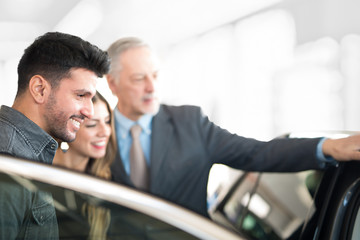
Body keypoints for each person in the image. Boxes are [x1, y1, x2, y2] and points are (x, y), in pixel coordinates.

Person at [106, 36, 360, 218]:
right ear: (113, 84)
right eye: (139, 79)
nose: (151, 87)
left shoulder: (190, 122)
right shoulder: (94, 131)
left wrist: (327, 146)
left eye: (156, 75)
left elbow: (256, 153)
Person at [0, 32, 109, 239]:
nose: (89, 112)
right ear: (39, 89)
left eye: (90, 98)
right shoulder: (9, 163)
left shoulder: (29, 154)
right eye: (80, 95)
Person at [53, 91, 116, 240]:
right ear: (67, 127)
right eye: (92, 124)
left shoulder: (107, 178)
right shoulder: (37, 170)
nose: (105, 132)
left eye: (107, 122)